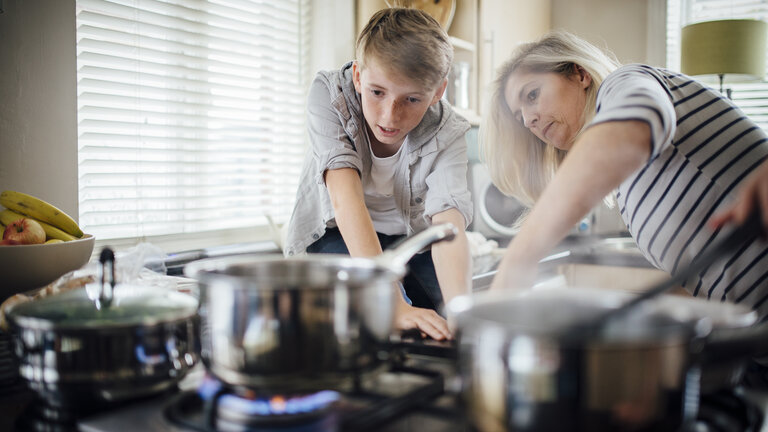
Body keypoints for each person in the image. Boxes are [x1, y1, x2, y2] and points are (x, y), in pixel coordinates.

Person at [481, 30, 768, 322]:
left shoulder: (624, 82)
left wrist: (517, 260)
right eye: (520, 117)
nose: (528, 119)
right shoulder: (628, 194)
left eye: (532, 95)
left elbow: (635, 121)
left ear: (580, 74)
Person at [284, 7, 472, 340]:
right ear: (358, 76)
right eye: (377, 92)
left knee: (448, 320)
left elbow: (447, 224)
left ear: (438, 93)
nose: (390, 115)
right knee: (370, 318)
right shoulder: (329, 95)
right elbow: (345, 199)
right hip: (337, 233)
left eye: (412, 99)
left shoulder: (449, 130)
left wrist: (462, 313)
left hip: (409, 238)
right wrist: (393, 302)